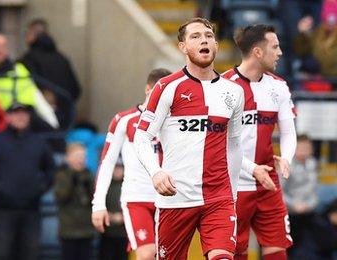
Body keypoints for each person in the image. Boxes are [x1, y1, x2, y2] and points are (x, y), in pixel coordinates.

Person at [134, 17, 244, 260]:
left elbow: (235, 144)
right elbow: (142, 137)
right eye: (195, 36)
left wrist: (233, 194)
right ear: (183, 47)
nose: (203, 40)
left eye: (208, 35)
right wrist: (156, 172)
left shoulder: (234, 92)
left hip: (218, 198)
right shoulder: (167, 87)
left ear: (216, 44)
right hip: (175, 198)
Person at [222, 24, 298, 260]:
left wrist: (286, 158)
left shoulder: (278, 86)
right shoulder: (223, 87)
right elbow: (219, 144)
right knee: (236, 252)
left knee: (277, 249)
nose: (280, 52)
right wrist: (251, 168)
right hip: (234, 184)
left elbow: (288, 132)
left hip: (268, 184)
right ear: (257, 51)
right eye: (274, 47)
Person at [91, 68, 171, 260]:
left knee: (167, 255)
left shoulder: (174, 122)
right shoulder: (124, 120)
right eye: (157, 91)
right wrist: (98, 204)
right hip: (137, 198)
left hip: (169, 198)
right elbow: (107, 162)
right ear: (147, 89)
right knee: (147, 254)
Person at [0, 102, 55, 260]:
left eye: (24, 113)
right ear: (8, 117)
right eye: (16, 113)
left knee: (31, 252)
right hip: (2, 208)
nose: (20, 117)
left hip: (31, 208)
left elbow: (50, 169)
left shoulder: (39, 141)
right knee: (2, 252)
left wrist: (40, 188)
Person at [0, 33, 59, 131]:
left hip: (25, 118)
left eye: (3, 46)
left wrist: (53, 124)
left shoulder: (19, 69)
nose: (0, 50)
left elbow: (37, 97)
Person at [19, 27, 81, 129]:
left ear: (33, 37)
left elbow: (28, 86)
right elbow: (76, 88)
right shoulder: (62, 58)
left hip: (41, 115)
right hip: (67, 112)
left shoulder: (28, 58)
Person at [54, 142, 95, 260]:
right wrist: (72, 182)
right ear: (68, 158)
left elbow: (94, 199)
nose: (80, 159)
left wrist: (89, 188)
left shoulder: (88, 174)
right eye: (77, 156)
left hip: (86, 228)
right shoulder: (62, 175)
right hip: (69, 229)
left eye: (83, 156)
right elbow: (61, 197)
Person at [282, 135, 319, 258]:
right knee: (288, 248)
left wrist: (310, 205)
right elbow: (279, 192)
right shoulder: (287, 164)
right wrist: (294, 205)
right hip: (289, 213)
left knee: (308, 248)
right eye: (301, 147)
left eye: (307, 147)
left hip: (308, 212)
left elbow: (314, 190)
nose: (304, 150)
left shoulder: (312, 163)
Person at [294, 2, 337, 78]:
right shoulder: (317, 32)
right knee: (308, 63)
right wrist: (302, 34)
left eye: (333, 22)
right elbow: (301, 51)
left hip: (333, 77)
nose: (331, 25)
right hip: (319, 78)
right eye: (328, 22)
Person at [98, 162, 129, 260]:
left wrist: (123, 217)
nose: (117, 171)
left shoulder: (129, 186)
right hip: (107, 233)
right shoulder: (103, 186)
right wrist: (110, 216)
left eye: (120, 168)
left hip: (125, 234)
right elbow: (96, 206)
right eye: (115, 168)